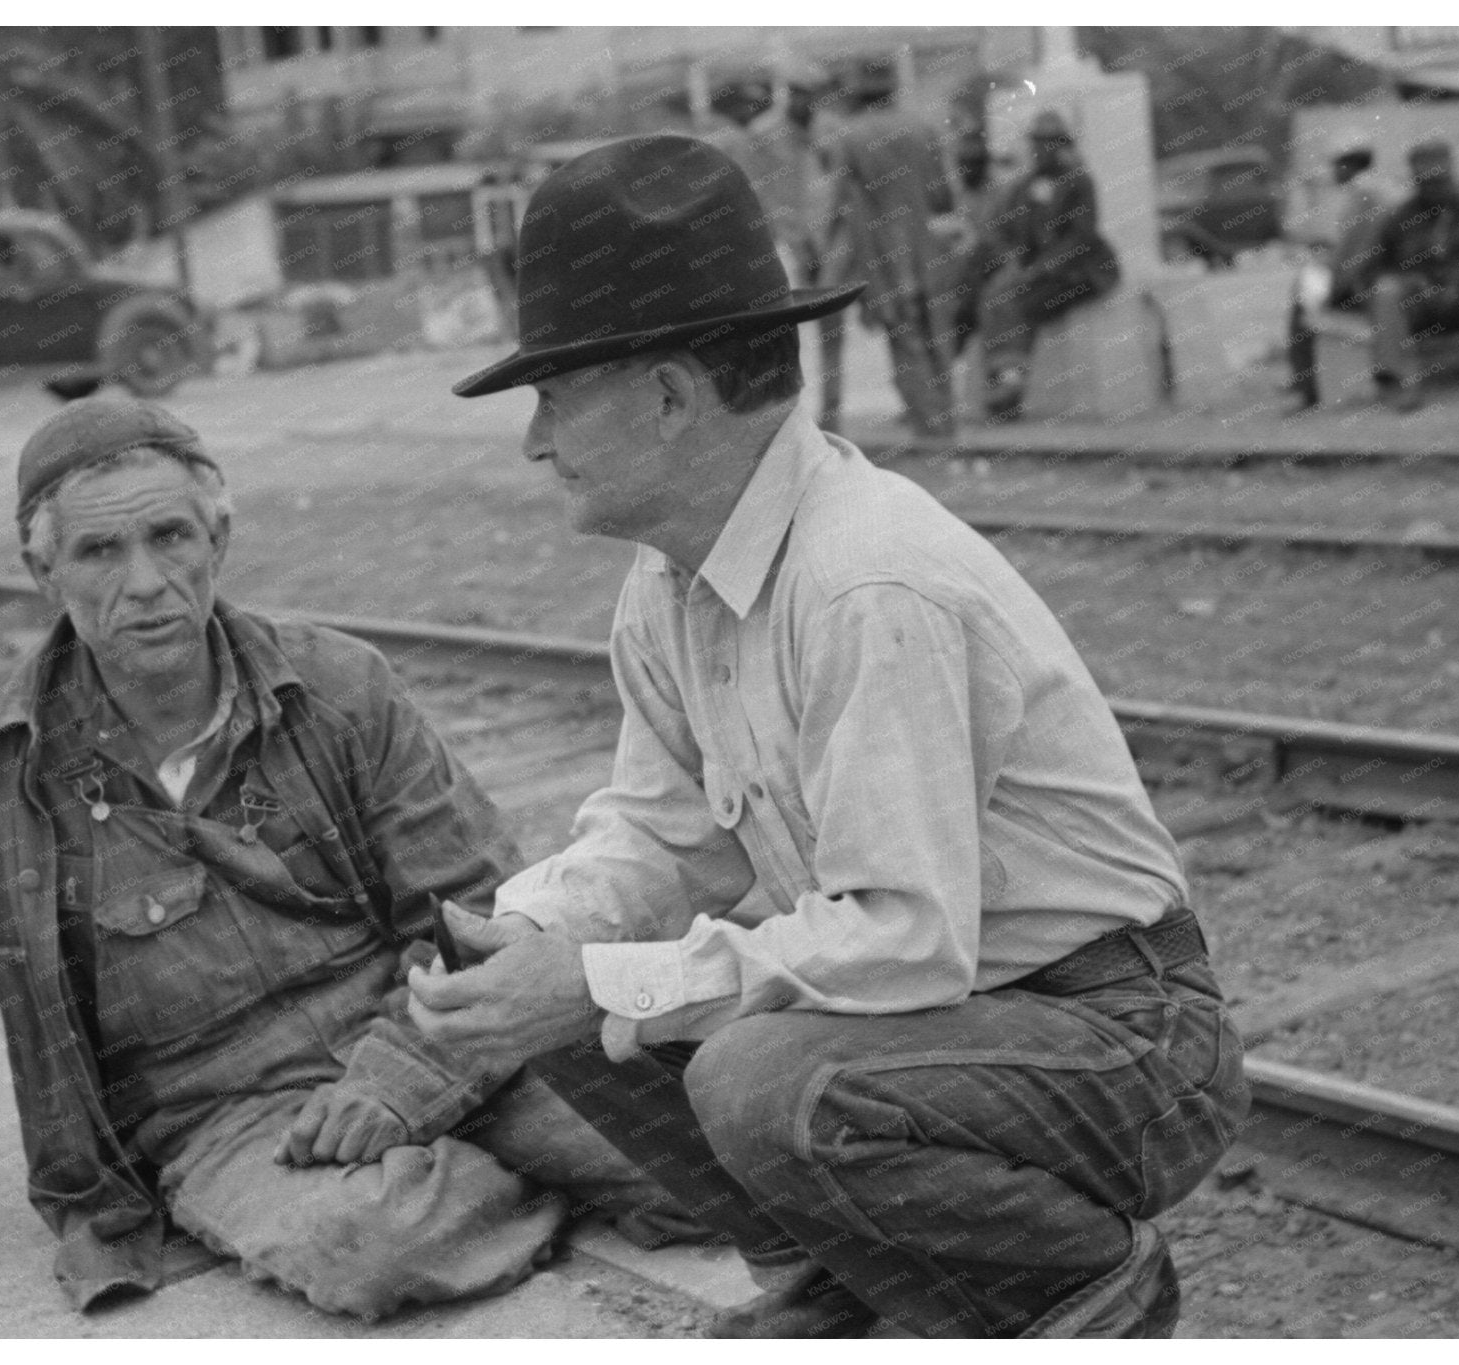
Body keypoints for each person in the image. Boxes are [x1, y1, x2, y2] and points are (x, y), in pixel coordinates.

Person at [417, 134, 1248, 1339]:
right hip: (964, 1027)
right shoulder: (672, 581)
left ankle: (1075, 1282)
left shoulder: (866, 582)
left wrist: (598, 977)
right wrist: (531, 936)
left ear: (666, 395)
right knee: (567, 998)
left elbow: (903, 941)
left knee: (742, 1075)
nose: (534, 442)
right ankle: (844, 1280)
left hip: (1123, 1041)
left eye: (551, 397)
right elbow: (663, 838)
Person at [0, 396, 697, 1318]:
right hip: (222, 1115)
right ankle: (470, 1180)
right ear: (40, 570)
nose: (145, 582)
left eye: (170, 538)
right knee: (376, 1245)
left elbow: (474, 917)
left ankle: (487, 1166)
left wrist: (403, 1083)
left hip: (419, 1036)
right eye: (100, 552)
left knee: (702, 1149)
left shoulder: (339, 686)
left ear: (216, 540)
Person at [702, 59, 845, 427]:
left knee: (832, 331)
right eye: (797, 93)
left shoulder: (830, 132)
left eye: (811, 94)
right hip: (788, 248)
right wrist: (800, 243)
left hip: (829, 246)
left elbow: (838, 192)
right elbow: (767, 199)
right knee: (787, 335)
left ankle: (831, 414)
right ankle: (794, 418)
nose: (804, 102)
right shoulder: (765, 137)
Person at [816, 105, 960, 438]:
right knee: (929, 330)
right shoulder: (924, 128)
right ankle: (942, 421)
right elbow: (943, 195)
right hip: (920, 244)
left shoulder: (850, 136)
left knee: (860, 330)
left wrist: (823, 247)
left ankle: (831, 416)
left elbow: (836, 200)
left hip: (872, 246)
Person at [972, 111, 1120, 422]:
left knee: (1015, 302)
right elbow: (1009, 231)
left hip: (1082, 273)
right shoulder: (1026, 185)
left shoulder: (1079, 181)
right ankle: (1004, 382)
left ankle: (1010, 385)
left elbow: (1082, 237)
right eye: (1037, 143)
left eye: (1048, 143)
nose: (1041, 149)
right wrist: (1014, 261)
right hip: (1039, 274)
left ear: (1061, 145)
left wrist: (1038, 269)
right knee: (994, 296)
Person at [1364, 139, 1459, 413]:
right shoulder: (1399, 217)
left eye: (1440, 180)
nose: (1434, 189)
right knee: (1386, 291)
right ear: (1416, 180)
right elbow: (1374, 268)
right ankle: (1400, 381)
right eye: (1426, 182)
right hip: (1423, 304)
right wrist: (1410, 279)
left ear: (1451, 174)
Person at [1282, 129, 1399, 412]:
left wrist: (1334, 289)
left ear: (1347, 165)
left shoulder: (1364, 195)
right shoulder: (1378, 189)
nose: (1330, 172)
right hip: (1379, 277)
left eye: (1333, 165)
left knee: (1303, 304)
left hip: (1367, 285)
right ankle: (1303, 383)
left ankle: (1306, 389)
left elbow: (1355, 253)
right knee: (1306, 287)